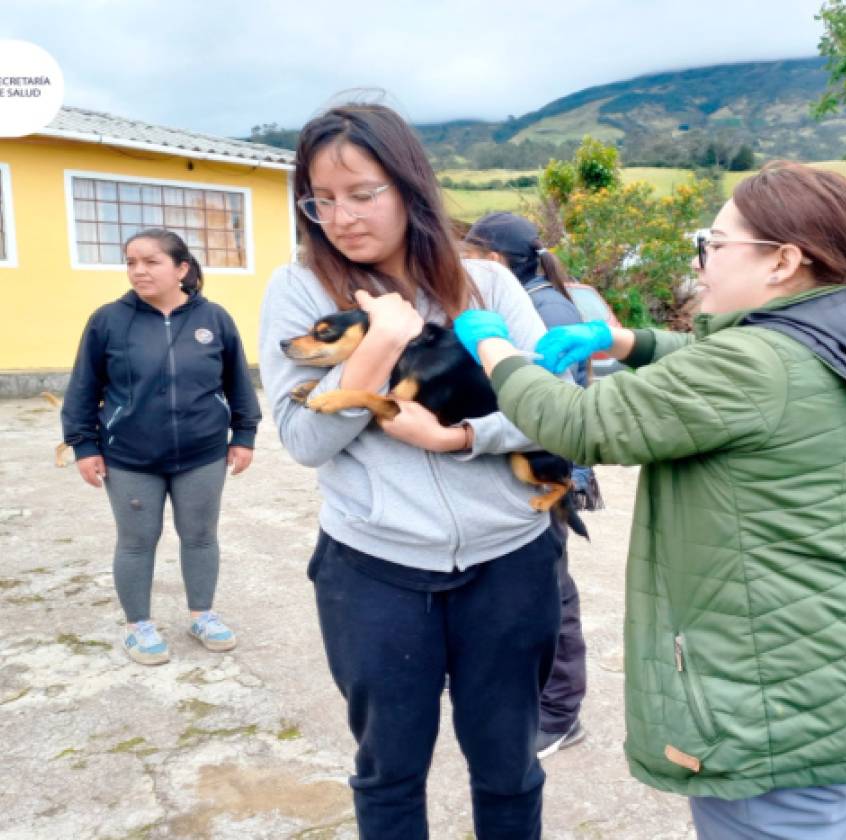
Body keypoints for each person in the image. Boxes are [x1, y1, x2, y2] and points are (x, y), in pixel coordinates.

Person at [453, 162, 846, 839]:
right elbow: (738, 372)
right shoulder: (841, 333)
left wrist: (497, 351)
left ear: (782, 262)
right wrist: (629, 341)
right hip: (845, 679)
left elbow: (582, 423)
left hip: (772, 704)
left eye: (714, 242)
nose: (703, 258)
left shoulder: (756, 363)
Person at [258, 103, 564, 840]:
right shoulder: (298, 292)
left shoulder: (488, 288)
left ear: (409, 188)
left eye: (362, 193)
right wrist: (381, 342)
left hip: (507, 564)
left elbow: (556, 409)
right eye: (321, 199)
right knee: (389, 772)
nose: (342, 217)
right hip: (372, 569)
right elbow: (302, 440)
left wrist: (462, 438)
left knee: (508, 768)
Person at [61, 229, 261, 666]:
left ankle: (202, 615)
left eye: (150, 262)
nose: (138, 271)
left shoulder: (214, 319)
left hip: (202, 452)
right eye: (131, 262)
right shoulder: (108, 320)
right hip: (130, 456)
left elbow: (237, 382)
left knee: (201, 535)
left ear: (181, 268)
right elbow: (83, 387)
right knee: (136, 540)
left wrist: (244, 435)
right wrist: (83, 445)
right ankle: (138, 627)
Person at [462, 212, 596, 759]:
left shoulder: (540, 307)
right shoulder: (527, 297)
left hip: (553, 461)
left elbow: (558, 400)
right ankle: (536, 695)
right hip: (532, 458)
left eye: (469, 253)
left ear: (493, 260)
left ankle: (562, 714)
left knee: (553, 595)